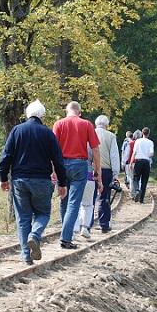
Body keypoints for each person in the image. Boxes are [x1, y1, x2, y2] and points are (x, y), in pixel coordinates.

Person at [0, 100, 68, 265]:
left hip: (19, 181)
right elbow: (58, 161)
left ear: (27, 114)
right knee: (43, 214)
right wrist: (62, 183)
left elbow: (6, 156)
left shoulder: (16, 131)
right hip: (42, 181)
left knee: (23, 218)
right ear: (42, 115)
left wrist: (3, 178)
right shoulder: (48, 133)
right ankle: (35, 235)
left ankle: (25, 255)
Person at [53, 101, 102, 249]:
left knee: (64, 199)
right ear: (79, 112)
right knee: (74, 202)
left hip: (61, 164)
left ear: (66, 111)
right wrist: (97, 171)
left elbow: (52, 149)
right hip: (80, 165)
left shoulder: (58, 124)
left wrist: (53, 170)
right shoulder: (86, 124)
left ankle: (66, 233)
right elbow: (95, 149)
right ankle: (66, 238)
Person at [94, 115, 120, 232]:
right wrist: (115, 173)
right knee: (104, 197)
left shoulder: (90, 133)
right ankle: (104, 224)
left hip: (91, 169)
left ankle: (86, 224)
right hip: (105, 170)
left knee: (89, 197)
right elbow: (114, 156)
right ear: (107, 125)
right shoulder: (111, 136)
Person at [132, 127, 155, 203]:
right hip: (146, 162)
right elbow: (151, 153)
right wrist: (147, 155)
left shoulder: (137, 141)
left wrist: (132, 162)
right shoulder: (151, 142)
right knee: (144, 181)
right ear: (148, 134)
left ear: (142, 133)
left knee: (135, 178)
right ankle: (141, 200)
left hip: (138, 161)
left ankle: (137, 190)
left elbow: (134, 152)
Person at [128, 130, 143, 201]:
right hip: (139, 163)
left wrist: (125, 162)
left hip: (132, 163)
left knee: (131, 179)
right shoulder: (142, 144)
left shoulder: (130, 143)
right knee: (138, 179)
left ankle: (133, 194)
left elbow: (128, 154)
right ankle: (138, 192)